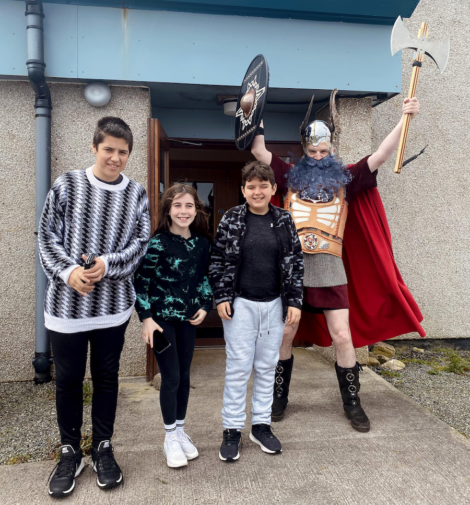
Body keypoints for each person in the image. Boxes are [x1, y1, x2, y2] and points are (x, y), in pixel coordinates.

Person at [251, 92, 425, 431]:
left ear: (331, 150)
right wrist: (252, 111)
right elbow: (259, 150)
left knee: (343, 337)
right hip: (294, 271)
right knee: (285, 332)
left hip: (331, 268)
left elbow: (382, 153)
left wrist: (406, 119)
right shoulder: (288, 176)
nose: (318, 157)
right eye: (312, 152)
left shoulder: (347, 177)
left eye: (323, 151)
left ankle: (353, 403)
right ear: (305, 151)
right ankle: (279, 398)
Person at [38, 117, 150, 497]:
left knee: (106, 379)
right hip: (66, 308)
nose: (116, 158)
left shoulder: (136, 193)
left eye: (123, 152)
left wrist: (109, 265)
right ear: (94, 147)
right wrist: (69, 272)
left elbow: (139, 245)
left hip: (113, 308)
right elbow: (46, 235)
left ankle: (102, 446)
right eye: (109, 150)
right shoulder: (67, 184)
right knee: (68, 382)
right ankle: (70, 452)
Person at [209, 161, 304, 462]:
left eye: (263, 185)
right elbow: (218, 260)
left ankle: (260, 425)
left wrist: (295, 302)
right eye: (251, 186)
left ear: (274, 189)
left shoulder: (285, 220)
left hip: (275, 305)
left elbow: (296, 263)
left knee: (266, 367)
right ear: (243, 190)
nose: (257, 191)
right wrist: (222, 295)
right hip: (241, 306)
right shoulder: (232, 220)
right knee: (238, 369)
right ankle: (232, 429)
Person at [134, 184, 213, 468]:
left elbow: (203, 278)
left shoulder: (203, 243)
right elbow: (140, 283)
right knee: (171, 377)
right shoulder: (157, 243)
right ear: (168, 209)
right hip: (160, 322)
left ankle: (180, 431)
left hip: (188, 321)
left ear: (196, 209)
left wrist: (205, 306)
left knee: (185, 377)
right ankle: (169, 437)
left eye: (189, 205)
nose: (183, 211)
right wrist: (145, 318)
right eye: (177, 205)